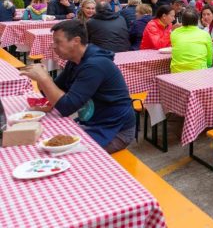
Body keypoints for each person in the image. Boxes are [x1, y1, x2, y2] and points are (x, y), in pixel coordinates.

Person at [20, 20, 135, 153]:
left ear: (76, 40)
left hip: (116, 130)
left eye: (58, 42)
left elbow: (66, 107)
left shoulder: (95, 65)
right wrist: (42, 79)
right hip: (93, 122)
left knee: (57, 153)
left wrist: (45, 79)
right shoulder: (75, 61)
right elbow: (52, 93)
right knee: (44, 141)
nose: (53, 46)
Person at [170, 8, 213, 73]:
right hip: (199, 73)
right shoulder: (205, 34)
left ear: (182, 20)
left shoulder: (174, 33)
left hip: (176, 73)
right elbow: (209, 59)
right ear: (197, 20)